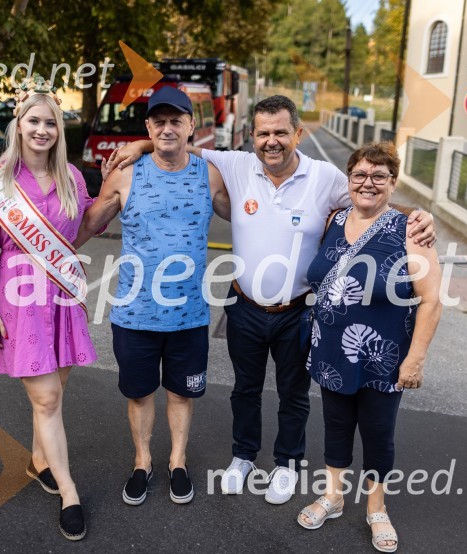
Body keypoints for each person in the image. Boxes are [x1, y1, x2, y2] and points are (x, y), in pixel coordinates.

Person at [109, 95, 434, 504]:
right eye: (263, 133)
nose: (271, 141)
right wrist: (138, 145)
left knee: (293, 394)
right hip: (243, 306)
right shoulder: (236, 164)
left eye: (281, 132)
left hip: (297, 311)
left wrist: (417, 215)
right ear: (252, 136)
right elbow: (178, 142)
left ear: (298, 133)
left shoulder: (325, 177)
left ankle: (286, 464)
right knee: (244, 389)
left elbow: (371, 199)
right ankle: (243, 456)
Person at [74, 85, 230, 507]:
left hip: (190, 315)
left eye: (175, 120)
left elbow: (255, 214)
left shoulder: (209, 174)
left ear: (190, 124)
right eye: (157, 122)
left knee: (181, 394)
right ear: (147, 125)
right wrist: (45, 257)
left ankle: (177, 461)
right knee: (140, 394)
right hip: (135, 314)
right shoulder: (126, 173)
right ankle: (142, 461)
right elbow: (87, 225)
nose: (166, 128)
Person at [297, 142, 442, 553]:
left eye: (379, 176)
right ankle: (334, 496)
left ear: (393, 183)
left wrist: (415, 360)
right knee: (336, 425)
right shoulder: (335, 219)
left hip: (384, 355)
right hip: (330, 350)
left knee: (378, 433)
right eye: (360, 175)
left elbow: (431, 299)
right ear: (349, 180)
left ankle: (376, 507)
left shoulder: (411, 229)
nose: (368, 183)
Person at [0, 75, 94, 541]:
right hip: (17, 300)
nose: (42, 130)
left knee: (54, 391)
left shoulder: (72, 177)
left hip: (62, 295)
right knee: (46, 398)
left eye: (51, 123)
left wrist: (125, 174)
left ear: (59, 131)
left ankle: (38, 461)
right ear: (18, 125)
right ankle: (69, 492)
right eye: (33, 121)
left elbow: (83, 225)